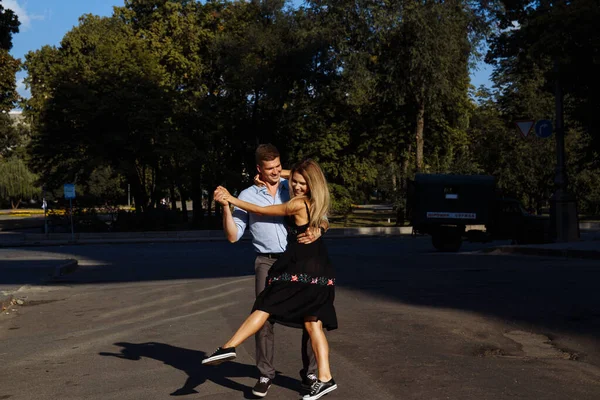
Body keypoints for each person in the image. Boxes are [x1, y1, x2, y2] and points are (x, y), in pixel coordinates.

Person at [205, 159, 338, 400]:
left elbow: (261, 211)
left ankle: (228, 347)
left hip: (302, 269)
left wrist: (231, 199)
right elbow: (307, 177)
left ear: (310, 184)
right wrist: (273, 176)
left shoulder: (297, 203)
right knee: (312, 323)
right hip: (320, 268)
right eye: (294, 182)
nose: (295, 186)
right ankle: (326, 378)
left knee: (266, 304)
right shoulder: (316, 199)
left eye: (300, 183)